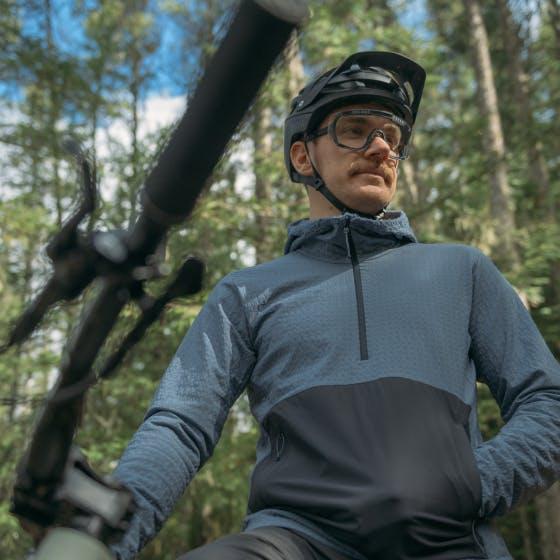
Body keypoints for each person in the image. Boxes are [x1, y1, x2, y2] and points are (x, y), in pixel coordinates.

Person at [111, 52, 560, 560]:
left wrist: (476, 482)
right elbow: (179, 426)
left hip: (451, 542)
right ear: (303, 158)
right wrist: (103, 538)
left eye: (391, 137)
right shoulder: (247, 292)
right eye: (354, 129)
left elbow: (547, 400)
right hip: (295, 541)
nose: (380, 149)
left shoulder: (462, 270)